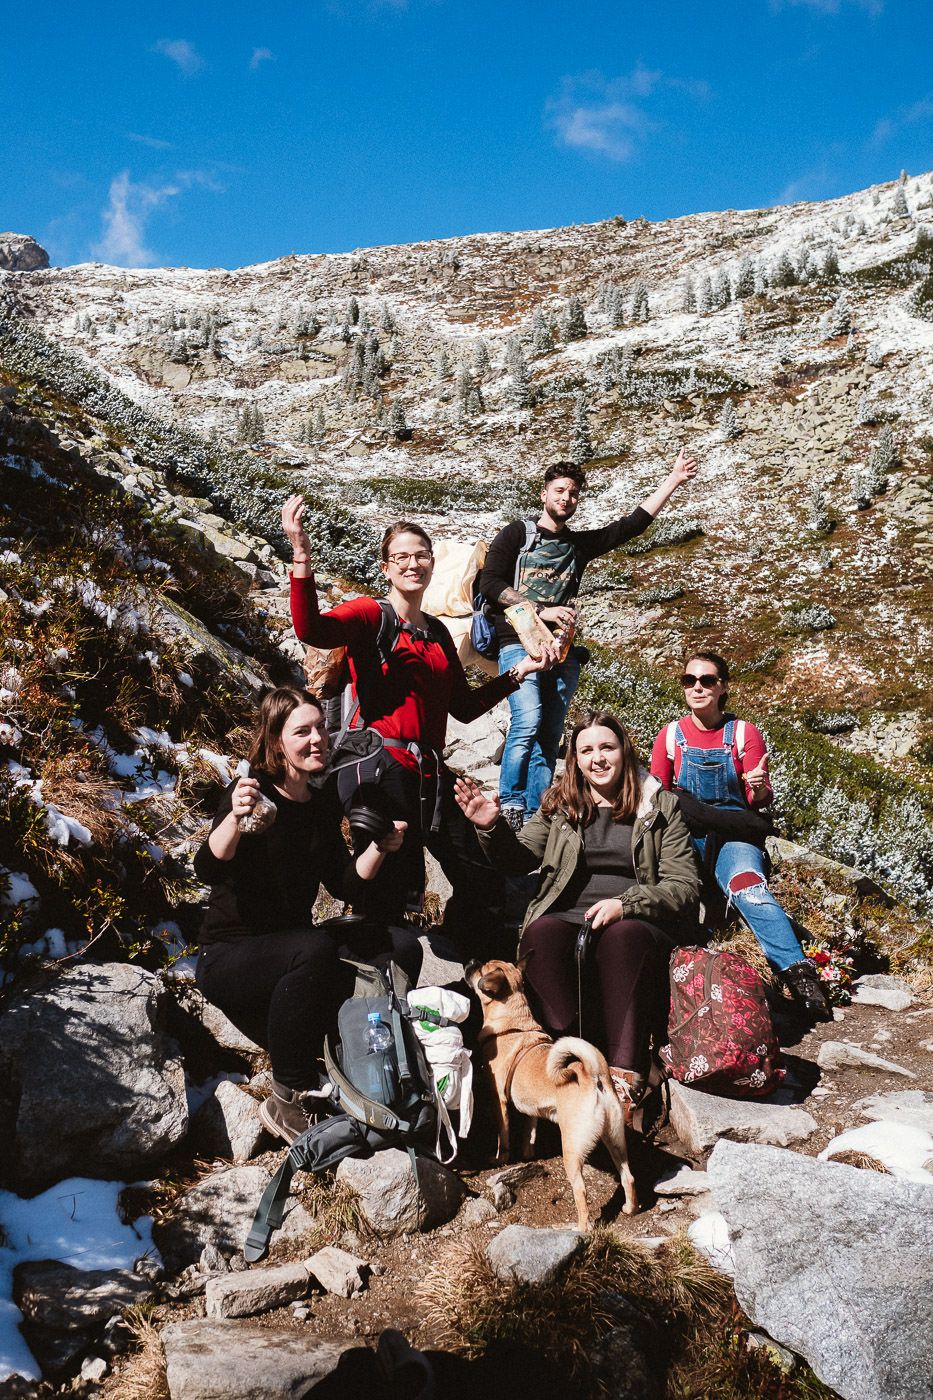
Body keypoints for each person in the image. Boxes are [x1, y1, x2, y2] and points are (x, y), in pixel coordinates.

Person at [281, 497, 551, 949]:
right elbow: (311, 630)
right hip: (380, 771)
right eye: (401, 556)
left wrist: (518, 673)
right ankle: (384, 988)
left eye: (421, 555)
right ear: (385, 567)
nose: (413, 563)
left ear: (432, 564)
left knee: (480, 877)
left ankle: (460, 968)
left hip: (430, 773)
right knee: (388, 894)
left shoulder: (439, 632)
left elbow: (462, 708)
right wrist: (302, 556)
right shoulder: (371, 614)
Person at [193, 686, 412, 1145]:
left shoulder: (319, 804)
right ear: (276, 743)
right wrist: (233, 818)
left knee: (399, 943)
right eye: (302, 731)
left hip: (293, 954)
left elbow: (345, 885)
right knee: (313, 946)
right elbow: (207, 868)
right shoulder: (249, 793)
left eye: (321, 728)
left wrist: (379, 847)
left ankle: (373, 1053)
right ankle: (288, 1096)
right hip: (231, 955)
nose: (318, 739)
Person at [454, 711, 700, 1110]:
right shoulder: (561, 803)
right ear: (574, 759)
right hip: (571, 914)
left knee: (624, 937)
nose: (597, 758)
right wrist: (491, 826)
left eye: (607, 747)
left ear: (625, 751)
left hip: (639, 918)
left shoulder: (660, 805)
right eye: (586, 750)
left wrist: (627, 903)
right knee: (541, 934)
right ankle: (566, 1065)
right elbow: (519, 858)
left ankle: (625, 1080)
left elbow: (684, 885)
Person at [479, 449, 699, 830]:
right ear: (544, 494)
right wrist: (541, 610)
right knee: (527, 720)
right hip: (516, 642)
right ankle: (512, 802)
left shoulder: (578, 546)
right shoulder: (517, 534)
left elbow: (630, 526)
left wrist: (674, 480)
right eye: (560, 490)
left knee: (549, 732)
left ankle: (536, 811)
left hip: (561, 650)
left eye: (574, 493)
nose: (567, 498)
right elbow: (491, 583)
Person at [649, 652, 832, 1019]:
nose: (697, 687)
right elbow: (657, 794)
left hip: (734, 833)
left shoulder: (744, 733)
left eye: (707, 681)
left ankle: (800, 975)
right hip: (684, 833)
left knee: (749, 886)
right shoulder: (669, 736)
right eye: (690, 681)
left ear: (723, 688)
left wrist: (760, 787)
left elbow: (757, 800)